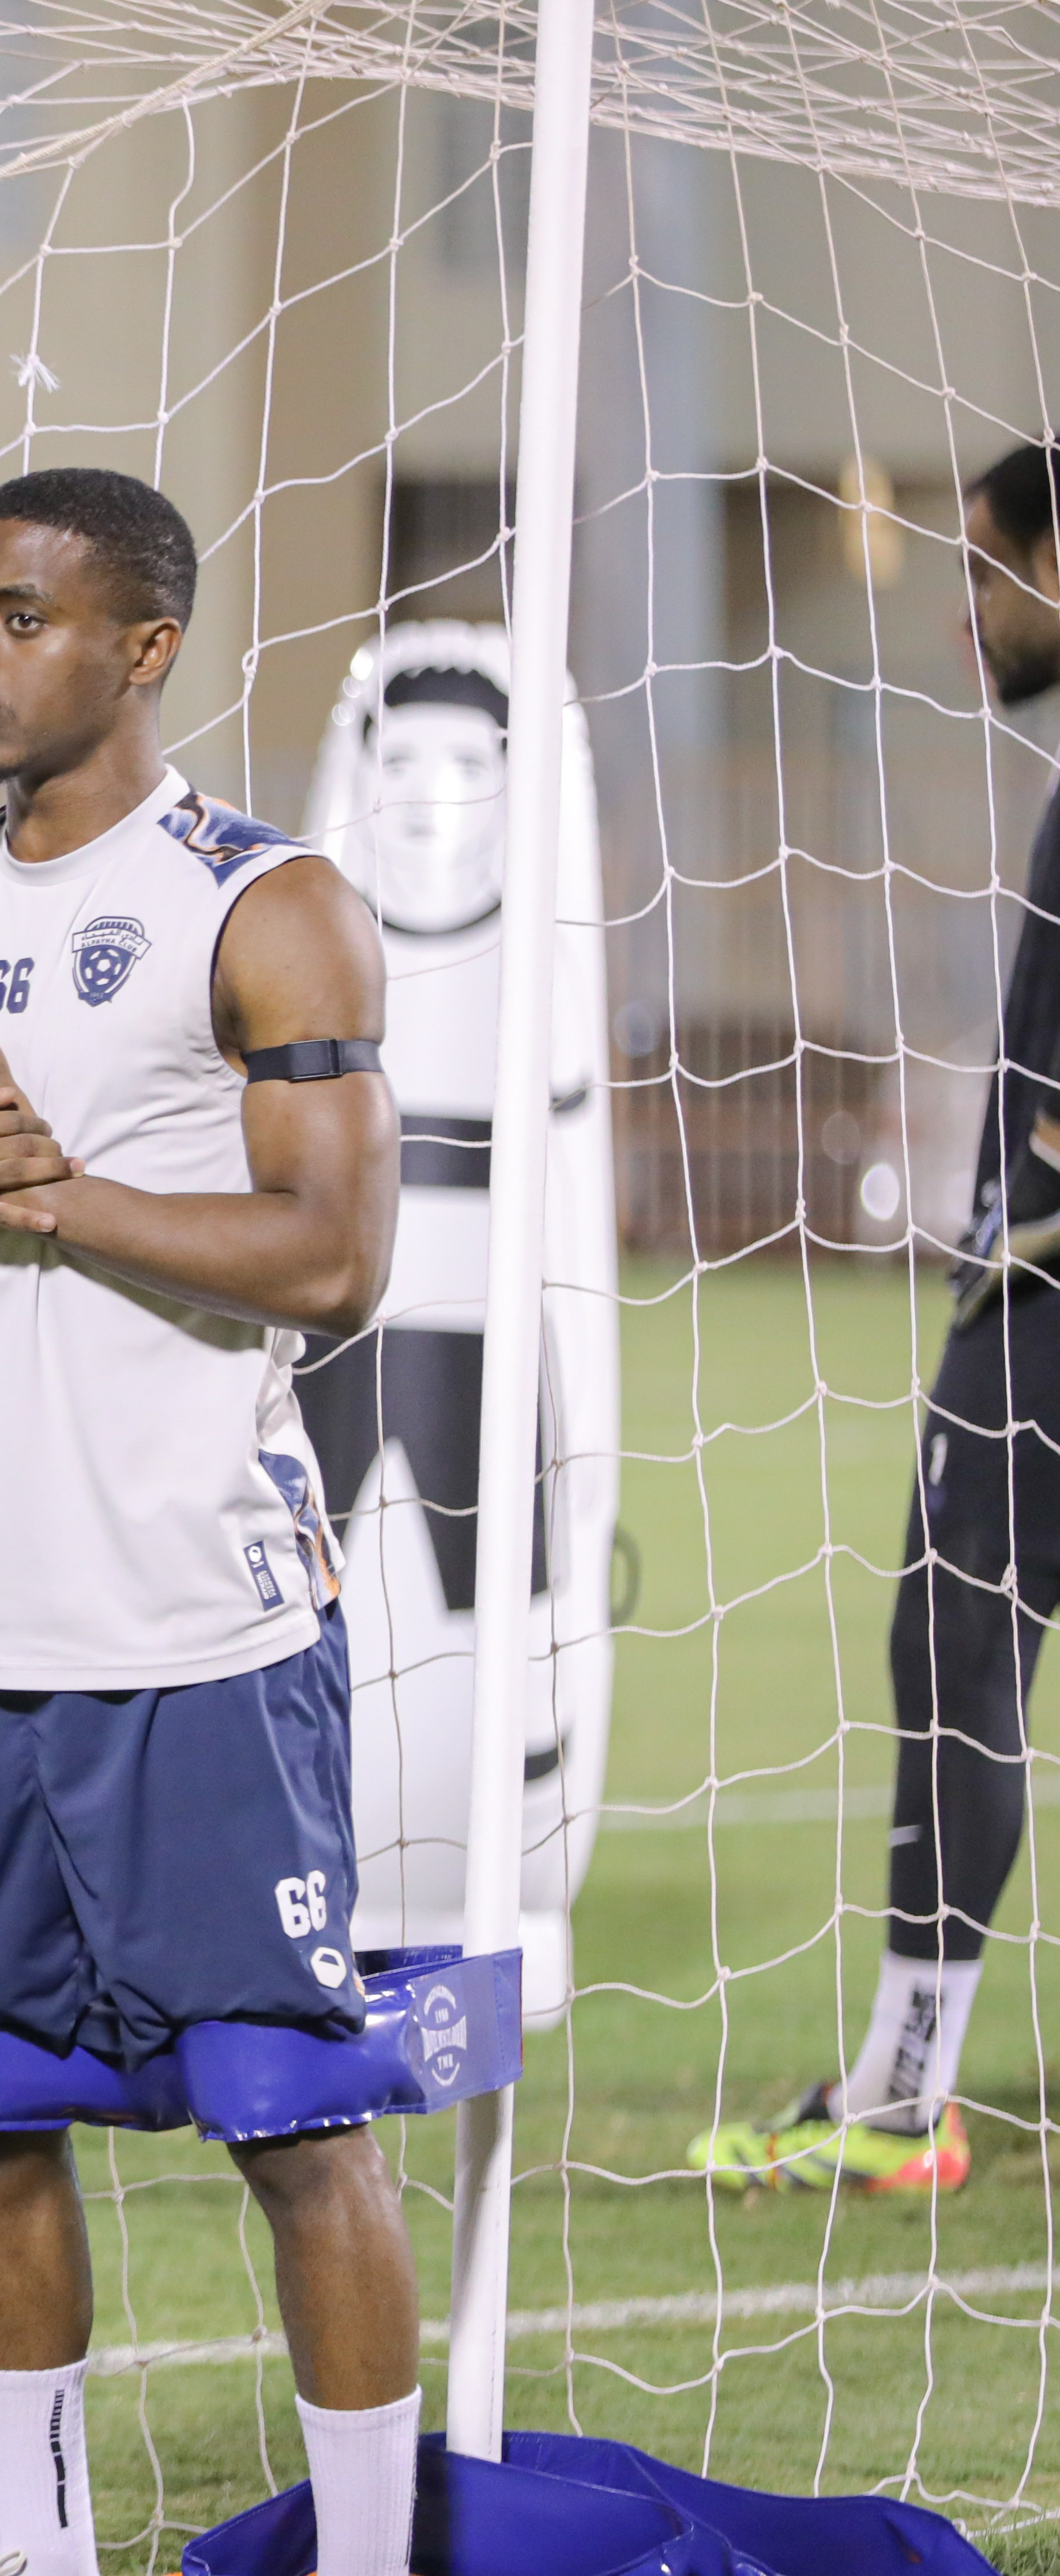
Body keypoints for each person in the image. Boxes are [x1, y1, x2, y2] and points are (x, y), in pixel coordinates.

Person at [0, 467, 414, 2576]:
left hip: (195, 1649)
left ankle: (357, 2559)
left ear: (140, 648)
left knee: (296, 2137)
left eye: (19, 618)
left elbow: (330, 1260)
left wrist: (42, 1193)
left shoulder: (270, 901)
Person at [691, 440, 1060, 2198]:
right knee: (951, 1650)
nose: (963, 615)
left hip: (1046, 1294)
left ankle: (903, 2100)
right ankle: (898, 2084)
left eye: (985, 572)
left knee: (953, 1648)